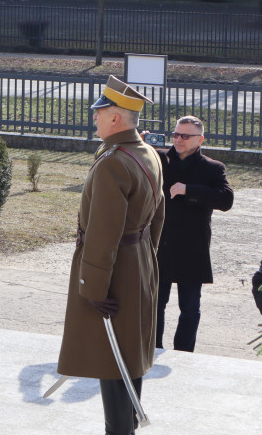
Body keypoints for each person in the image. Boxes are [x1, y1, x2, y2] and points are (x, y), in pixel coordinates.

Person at [57, 75, 164, 435]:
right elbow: (159, 214)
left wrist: (93, 286)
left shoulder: (113, 162)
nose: (95, 118)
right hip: (138, 262)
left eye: (100, 113)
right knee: (129, 356)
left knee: (113, 359)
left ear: (115, 118)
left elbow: (103, 234)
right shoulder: (146, 152)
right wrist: (145, 258)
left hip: (115, 271)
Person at [153, 115, 233, 352]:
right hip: (161, 244)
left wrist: (190, 190)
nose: (178, 139)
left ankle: (184, 354)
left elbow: (226, 200)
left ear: (200, 140)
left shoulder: (212, 167)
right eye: (176, 134)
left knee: (189, 308)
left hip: (192, 246)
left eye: (185, 136)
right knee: (155, 304)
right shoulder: (158, 159)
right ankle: (153, 348)